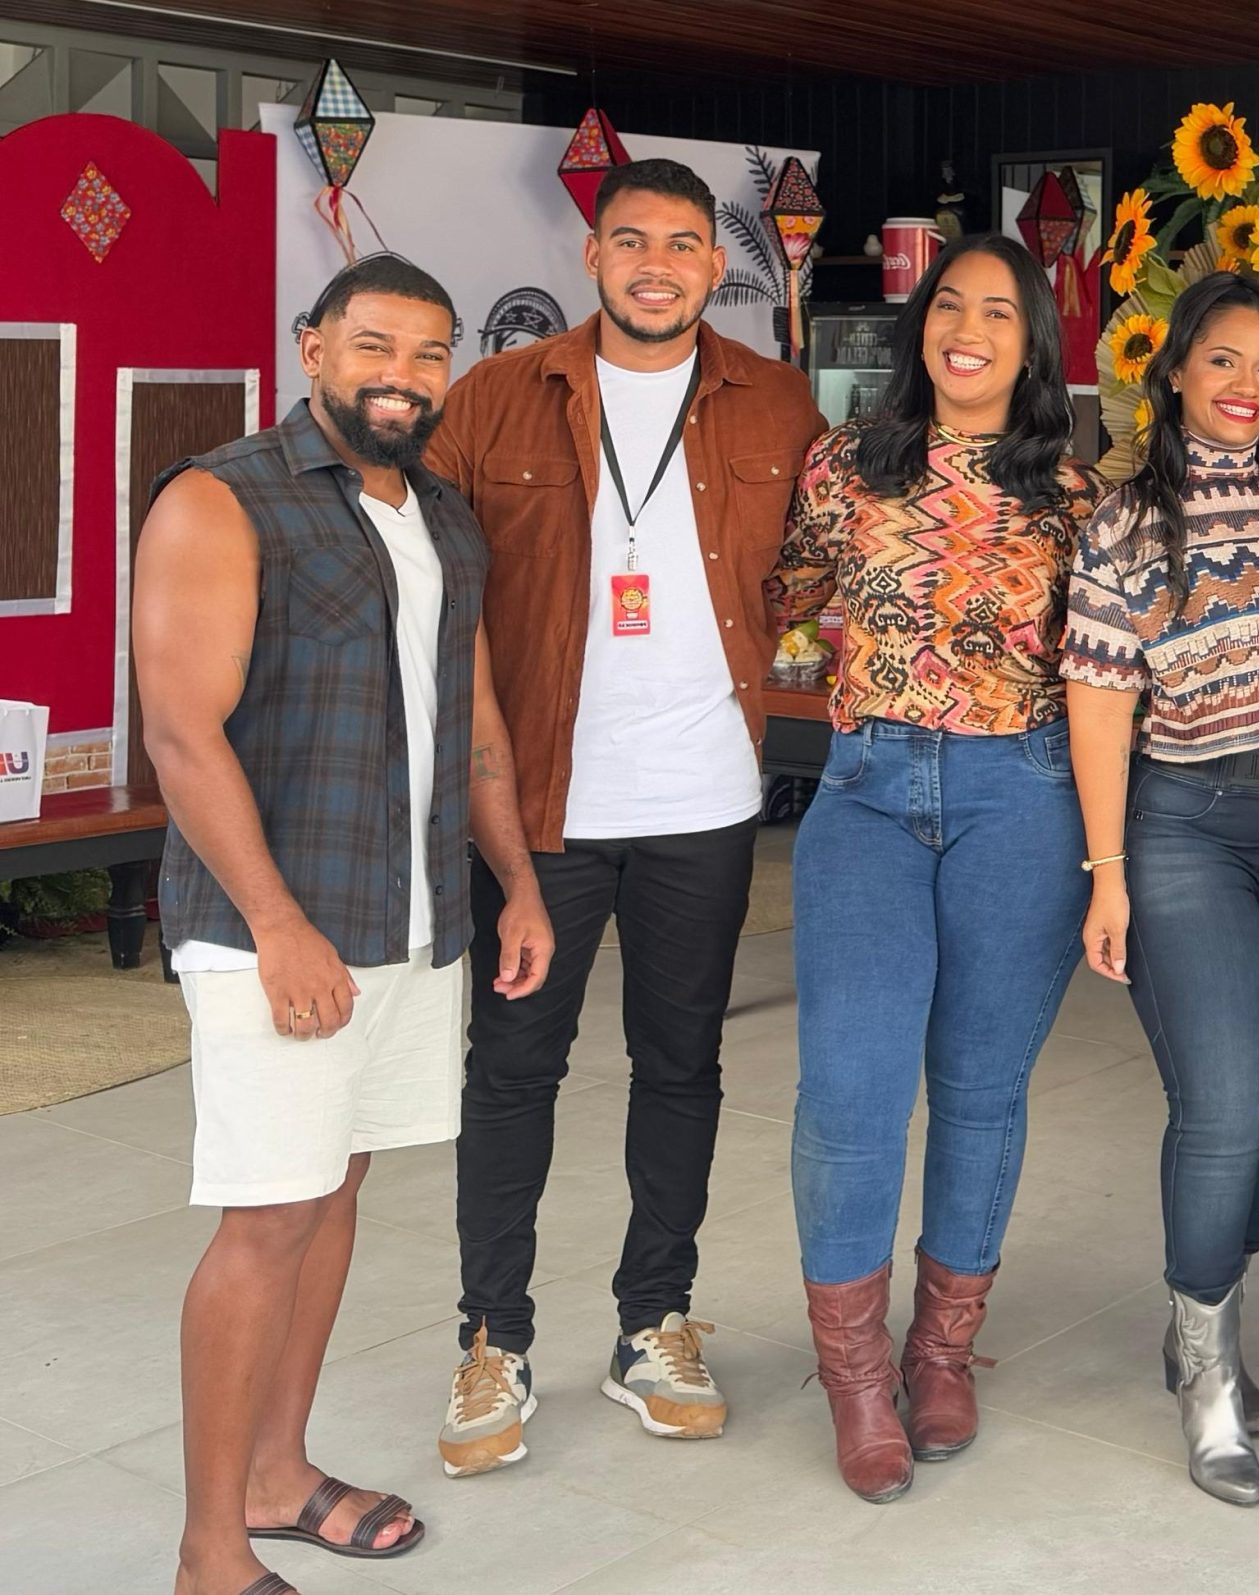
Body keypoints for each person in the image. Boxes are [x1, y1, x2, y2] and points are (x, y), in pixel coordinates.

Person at [138, 254, 555, 1595]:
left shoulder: (442, 516)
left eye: (429, 352)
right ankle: (210, 1551)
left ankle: (277, 1472)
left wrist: (517, 881)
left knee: (334, 1189)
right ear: (311, 346)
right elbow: (180, 733)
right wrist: (278, 923)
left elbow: (473, 719)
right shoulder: (220, 498)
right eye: (374, 343)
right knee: (268, 1215)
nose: (402, 374)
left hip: (411, 917)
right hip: (276, 928)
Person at [422, 157, 825, 1475]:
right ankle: (493, 1335)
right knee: (512, 1064)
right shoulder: (495, 395)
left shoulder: (775, 398)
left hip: (704, 798)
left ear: (716, 267)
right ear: (592, 256)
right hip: (540, 803)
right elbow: (421, 573)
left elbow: (826, 561)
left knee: (682, 1062)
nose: (659, 263)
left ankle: (654, 1319)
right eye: (633, 239)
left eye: (685, 243)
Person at [769, 234, 1099, 1504]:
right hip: (866, 790)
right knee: (849, 1092)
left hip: (1022, 795)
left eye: (999, 312)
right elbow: (777, 597)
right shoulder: (843, 462)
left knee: (978, 1089)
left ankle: (941, 1349)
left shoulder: (1076, 494)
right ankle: (855, 1376)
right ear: (921, 328)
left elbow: (1108, 674)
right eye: (949, 305)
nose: (968, 329)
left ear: (1033, 343)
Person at [1060, 272, 1259, 1508]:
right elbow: (1096, 704)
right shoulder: (1125, 521)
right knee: (1225, 1100)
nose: (1245, 385)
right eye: (1222, 360)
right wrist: (1106, 874)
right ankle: (1209, 1371)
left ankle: (1201, 1316)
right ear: (1174, 369)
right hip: (1187, 825)